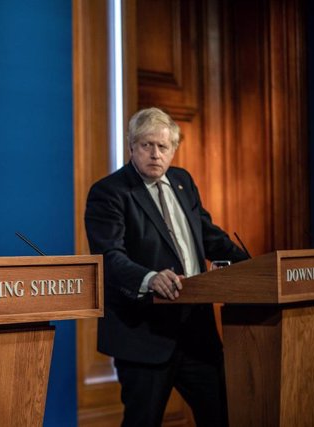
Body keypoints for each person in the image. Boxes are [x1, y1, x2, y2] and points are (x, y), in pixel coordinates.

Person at [84, 107, 248, 427]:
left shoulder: (183, 181)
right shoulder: (109, 192)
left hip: (197, 334)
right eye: (146, 145)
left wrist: (258, 268)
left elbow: (209, 237)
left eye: (163, 146)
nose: (155, 154)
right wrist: (149, 278)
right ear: (131, 147)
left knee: (220, 417)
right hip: (144, 337)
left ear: (174, 150)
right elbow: (109, 257)